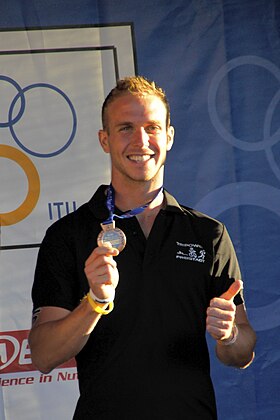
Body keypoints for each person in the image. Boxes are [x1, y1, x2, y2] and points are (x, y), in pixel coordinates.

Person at [29, 76, 256, 419]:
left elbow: (241, 353)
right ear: (104, 140)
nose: (141, 140)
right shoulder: (68, 235)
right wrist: (95, 302)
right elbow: (44, 356)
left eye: (151, 127)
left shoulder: (207, 234)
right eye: (125, 128)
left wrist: (229, 334)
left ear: (169, 136)